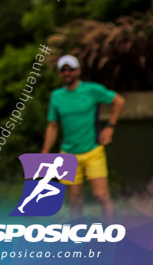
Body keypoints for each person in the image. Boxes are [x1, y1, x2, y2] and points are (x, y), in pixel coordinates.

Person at [42, 54, 125, 221]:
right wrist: (44, 152)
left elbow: (118, 101)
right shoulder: (57, 96)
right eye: (63, 70)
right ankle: (77, 238)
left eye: (70, 69)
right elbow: (53, 125)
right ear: (59, 73)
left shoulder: (91, 90)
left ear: (78, 71)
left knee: (101, 195)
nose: (67, 73)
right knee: (74, 200)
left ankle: (113, 232)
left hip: (93, 150)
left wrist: (110, 126)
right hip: (68, 154)